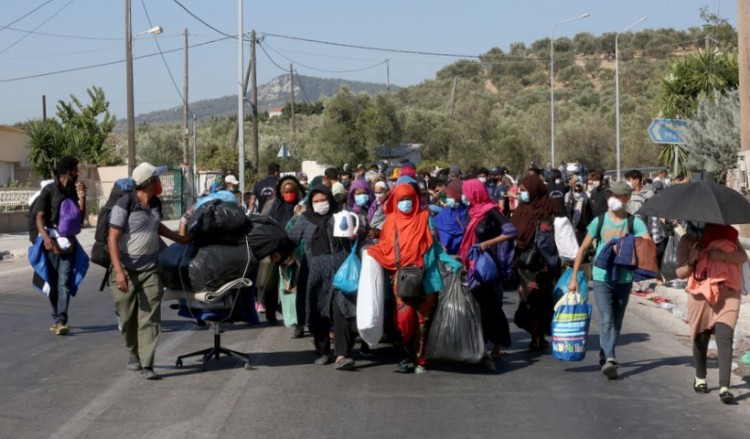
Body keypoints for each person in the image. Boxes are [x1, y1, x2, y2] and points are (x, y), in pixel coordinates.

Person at [367, 183, 462, 374]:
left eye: (409, 199)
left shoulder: (426, 218)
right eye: (401, 200)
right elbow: (385, 248)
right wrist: (369, 253)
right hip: (402, 277)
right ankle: (404, 355)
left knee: (423, 322)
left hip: (428, 277)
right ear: (395, 201)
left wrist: (450, 261)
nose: (406, 203)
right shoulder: (391, 222)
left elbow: (434, 245)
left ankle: (420, 359)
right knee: (404, 320)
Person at [108, 162, 191, 380]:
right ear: (149, 183)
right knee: (127, 319)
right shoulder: (124, 204)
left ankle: (148, 363)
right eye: (157, 179)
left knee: (150, 317)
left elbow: (156, 227)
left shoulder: (155, 203)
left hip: (150, 269)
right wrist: (118, 271)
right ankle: (133, 354)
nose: (160, 183)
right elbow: (112, 239)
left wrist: (180, 239)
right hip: (125, 269)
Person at [568, 182, 650, 380]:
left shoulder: (633, 223)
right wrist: (574, 277)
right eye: (610, 195)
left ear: (627, 199)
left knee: (617, 320)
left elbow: (647, 244)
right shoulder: (600, 221)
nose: (612, 199)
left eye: (617, 196)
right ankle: (610, 358)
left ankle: (606, 353)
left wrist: (628, 245)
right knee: (606, 319)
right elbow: (583, 248)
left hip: (624, 278)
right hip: (601, 276)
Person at [287, 185, 358, 370]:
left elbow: (358, 231)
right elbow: (291, 239)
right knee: (318, 312)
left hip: (340, 273)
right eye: (316, 201)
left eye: (323, 200)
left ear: (330, 199)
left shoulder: (341, 215)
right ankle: (323, 351)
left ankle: (342, 354)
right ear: (310, 203)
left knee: (341, 310)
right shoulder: (305, 220)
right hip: (315, 274)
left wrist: (354, 236)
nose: (320, 204)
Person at [675, 224, 746, 404]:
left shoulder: (728, 235)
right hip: (700, 294)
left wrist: (722, 256)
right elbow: (680, 272)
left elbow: (742, 257)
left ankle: (724, 387)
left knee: (725, 336)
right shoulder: (688, 240)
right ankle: (700, 378)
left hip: (728, 292)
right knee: (701, 336)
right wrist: (691, 260)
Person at [459, 179, 517, 360]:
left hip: (490, 265)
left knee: (492, 305)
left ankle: (497, 343)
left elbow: (510, 231)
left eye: (467, 192)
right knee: (477, 305)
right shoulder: (471, 211)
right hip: (473, 263)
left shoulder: (491, 211)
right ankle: (480, 343)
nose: (465, 195)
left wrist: (487, 243)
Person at [31, 156, 86, 335]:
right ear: (69, 171)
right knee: (53, 283)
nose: (78, 173)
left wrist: (82, 198)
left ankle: (61, 320)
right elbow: (39, 216)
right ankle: (57, 316)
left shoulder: (71, 191)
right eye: (76, 170)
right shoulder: (48, 190)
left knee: (64, 283)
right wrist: (45, 238)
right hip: (51, 243)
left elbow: (79, 218)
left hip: (68, 243)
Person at [510, 175, 563, 351]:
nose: (522, 194)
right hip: (529, 264)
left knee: (542, 299)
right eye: (521, 191)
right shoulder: (523, 209)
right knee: (531, 299)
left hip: (544, 263)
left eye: (525, 191)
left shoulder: (551, 207)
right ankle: (537, 334)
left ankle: (538, 334)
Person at [261, 175, 306, 325]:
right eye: (286, 192)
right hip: (277, 249)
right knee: (272, 284)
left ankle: (296, 318)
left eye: (292, 191)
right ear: (281, 193)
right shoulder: (274, 207)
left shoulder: (301, 208)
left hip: (297, 251)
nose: (289, 194)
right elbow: (268, 226)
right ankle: (271, 313)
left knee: (294, 285)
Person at [433, 180, 467, 255]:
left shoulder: (467, 213)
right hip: (444, 254)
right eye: (447, 197)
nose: (448, 199)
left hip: (463, 253)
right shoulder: (443, 213)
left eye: (450, 197)